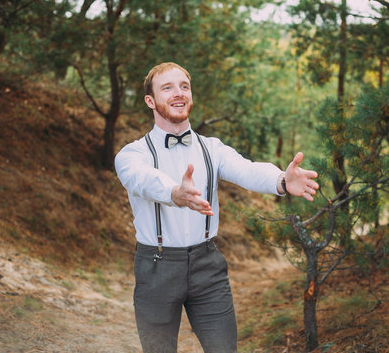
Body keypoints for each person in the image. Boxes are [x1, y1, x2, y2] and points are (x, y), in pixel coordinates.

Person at [114, 62, 319, 353]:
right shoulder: (132, 154)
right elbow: (142, 179)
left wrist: (281, 180)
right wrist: (175, 192)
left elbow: (246, 170)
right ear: (150, 100)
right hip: (156, 268)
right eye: (167, 87)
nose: (178, 93)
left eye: (184, 86)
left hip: (207, 265)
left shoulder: (212, 148)